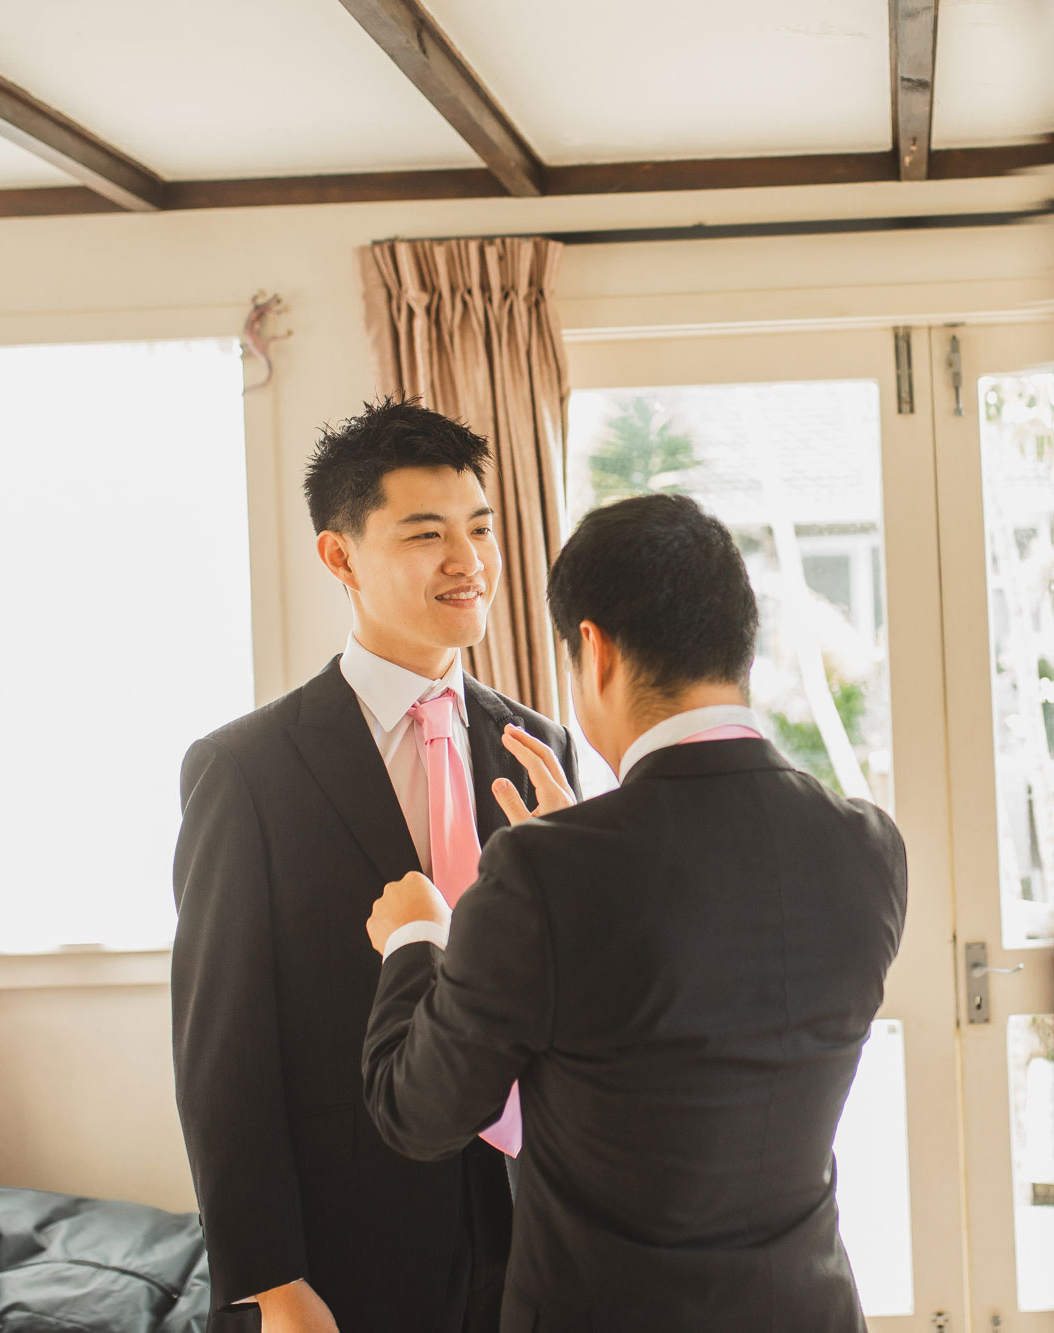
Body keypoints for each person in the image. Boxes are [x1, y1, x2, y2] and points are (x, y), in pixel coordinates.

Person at [360, 493, 908, 1333]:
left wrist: (416, 939)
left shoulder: (546, 873)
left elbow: (420, 1111)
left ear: (596, 649)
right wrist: (564, 852)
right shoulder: (868, 848)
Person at [172, 400, 578, 1333]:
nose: (468, 561)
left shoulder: (536, 747)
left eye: (480, 528)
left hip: (534, 1231)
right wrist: (275, 1284)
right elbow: (220, 1051)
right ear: (340, 556)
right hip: (349, 1249)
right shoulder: (246, 770)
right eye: (426, 533)